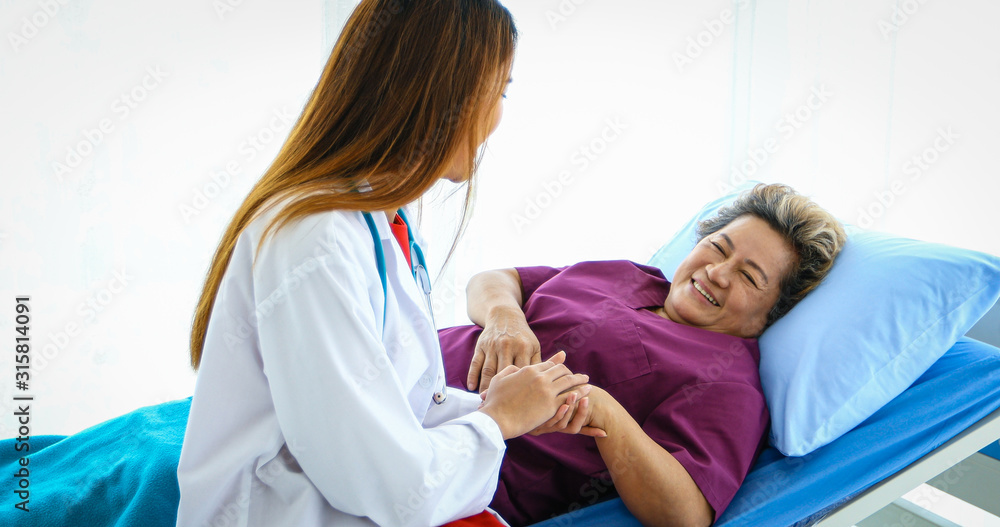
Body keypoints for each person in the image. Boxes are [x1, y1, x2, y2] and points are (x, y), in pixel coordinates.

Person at [176, 2, 597, 526]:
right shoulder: (314, 238)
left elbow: (392, 405)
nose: (498, 115)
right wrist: (498, 420)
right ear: (444, 90)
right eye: (501, 90)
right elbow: (388, 486)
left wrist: (506, 405)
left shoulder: (383, 219)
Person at [439, 183, 847, 527]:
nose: (718, 273)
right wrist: (503, 316)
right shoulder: (628, 274)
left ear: (772, 310)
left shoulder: (730, 383)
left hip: (454, 465)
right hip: (406, 377)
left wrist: (603, 411)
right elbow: (497, 279)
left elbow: (685, 513)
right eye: (718, 248)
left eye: (748, 276)